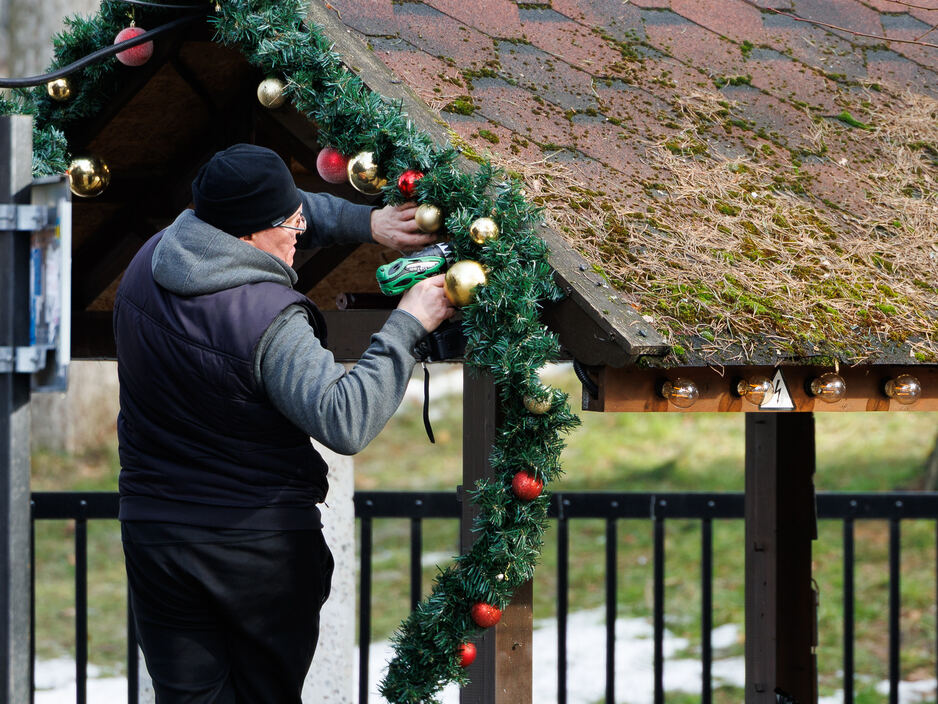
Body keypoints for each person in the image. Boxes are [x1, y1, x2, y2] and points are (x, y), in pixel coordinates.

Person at [113, 143, 455, 703]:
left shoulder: (151, 260)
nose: (301, 227)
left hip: (156, 538)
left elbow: (284, 213)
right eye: (289, 221)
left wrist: (368, 222)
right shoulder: (269, 319)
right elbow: (346, 421)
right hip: (258, 549)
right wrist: (405, 326)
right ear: (248, 235)